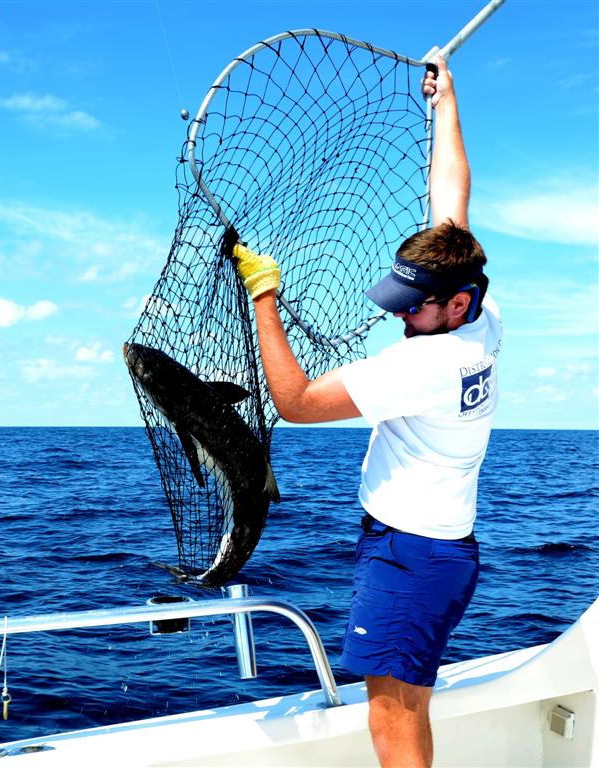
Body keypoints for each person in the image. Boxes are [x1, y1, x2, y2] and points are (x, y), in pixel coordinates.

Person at [231, 55, 502, 767]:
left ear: (455, 303)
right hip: (440, 548)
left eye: (415, 307)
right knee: (407, 697)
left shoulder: (428, 362)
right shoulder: (479, 313)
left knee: (392, 715)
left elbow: (293, 404)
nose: (402, 317)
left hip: (410, 554)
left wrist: (263, 294)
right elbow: (452, 200)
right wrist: (446, 105)